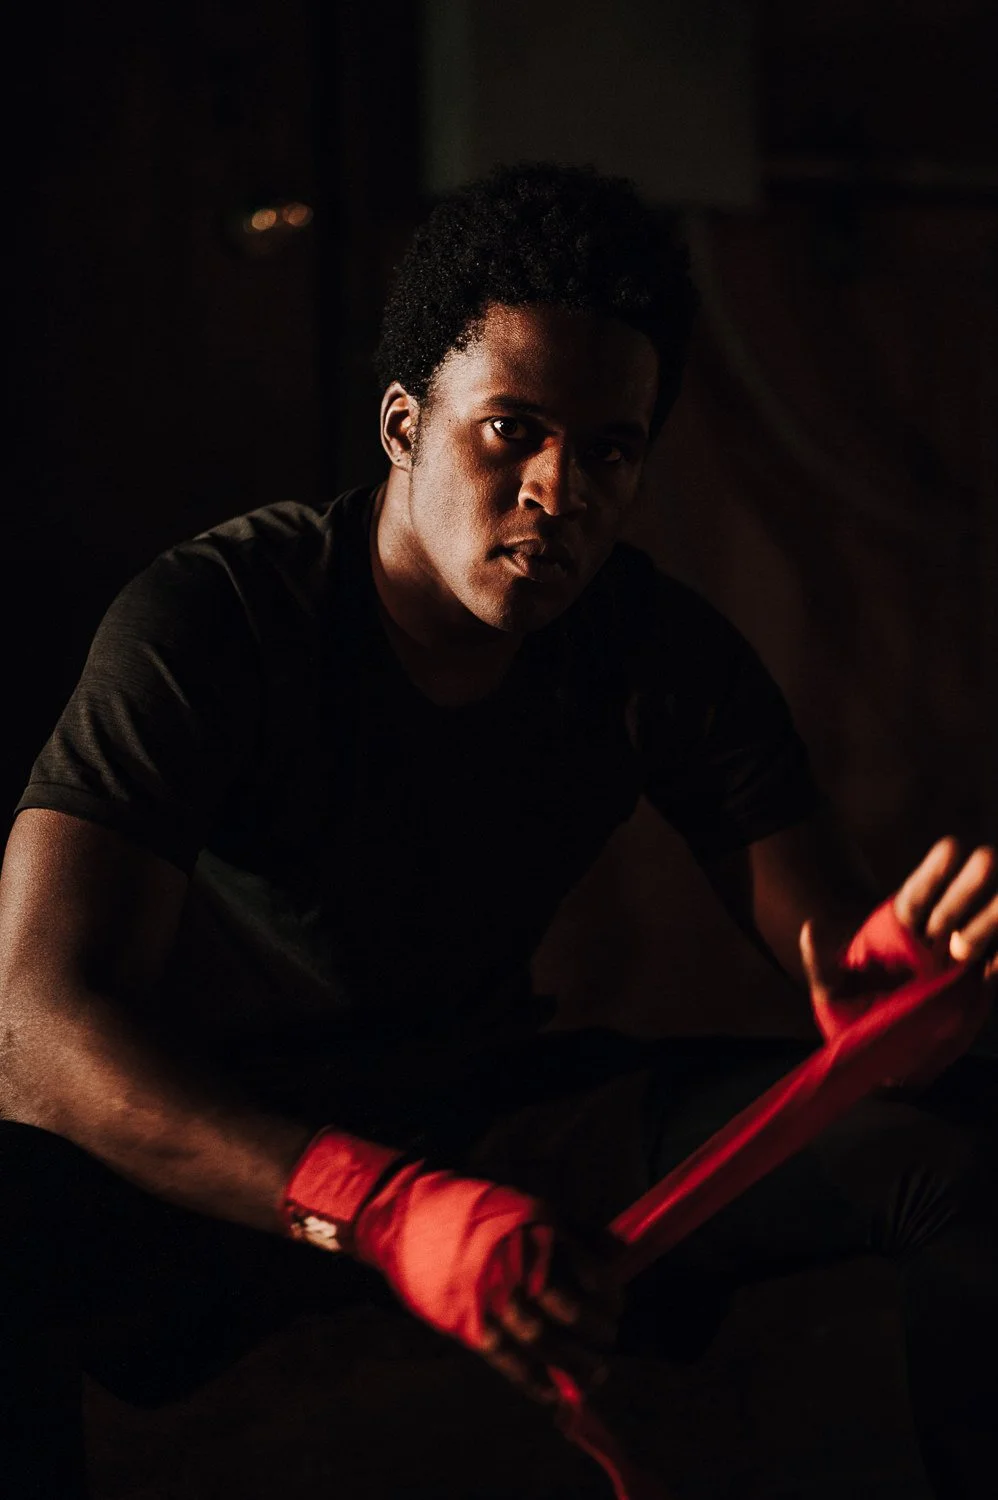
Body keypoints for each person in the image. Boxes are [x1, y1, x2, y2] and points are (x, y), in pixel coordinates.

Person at [0, 162, 995, 1500]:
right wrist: (381, 1205)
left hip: (487, 1116)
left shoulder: (659, 653)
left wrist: (890, 1022)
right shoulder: (215, 619)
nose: (555, 489)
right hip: (228, 1154)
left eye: (609, 448)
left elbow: (824, 944)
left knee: (955, 1149)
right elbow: (31, 1036)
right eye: (510, 430)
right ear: (405, 422)